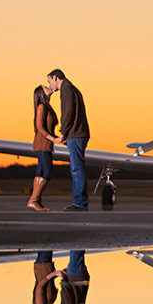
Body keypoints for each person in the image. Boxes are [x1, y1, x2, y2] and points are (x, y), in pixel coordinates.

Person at [47, 69, 91, 211]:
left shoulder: (66, 89)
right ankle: (79, 201)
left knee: (76, 169)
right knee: (76, 168)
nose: (49, 85)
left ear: (55, 78)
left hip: (76, 135)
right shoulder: (72, 88)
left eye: (49, 81)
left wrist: (63, 133)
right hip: (77, 134)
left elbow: (68, 112)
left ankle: (80, 203)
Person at [28, 85, 58, 212]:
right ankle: (33, 200)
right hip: (42, 143)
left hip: (46, 143)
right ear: (41, 93)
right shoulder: (41, 107)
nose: (49, 87)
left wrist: (57, 138)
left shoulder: (47, 107)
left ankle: (37, 202)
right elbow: (39, 127)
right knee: (47, 172)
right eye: (45, 87)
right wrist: (53, 139)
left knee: (40, 173)